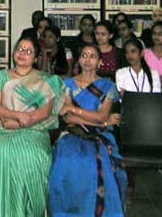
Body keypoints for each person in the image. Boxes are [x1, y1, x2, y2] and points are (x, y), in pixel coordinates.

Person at [0, 38, 62, 216]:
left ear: (36, 57)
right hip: (2, 126)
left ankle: (29, 210)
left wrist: (19, 123)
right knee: (0, 152)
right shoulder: (1, 76)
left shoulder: (46, 80)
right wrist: (17, 116)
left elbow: (45, 113)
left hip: (35, 128)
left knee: (32, 154)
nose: (22, 54)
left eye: (28, 51)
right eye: (20, 49)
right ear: (13, 52)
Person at [49, 43, 126, 216]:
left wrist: (77, 112)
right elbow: (67, 118)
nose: (88, 60)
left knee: (94, 162)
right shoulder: (67, 84)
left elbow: (100, 116)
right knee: (66, 160)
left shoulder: (107, 86)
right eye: (84, 55)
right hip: (72, 133)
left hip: (98, 136)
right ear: (78, 60)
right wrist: (103, 122)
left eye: (92, 56)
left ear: (99, 62)